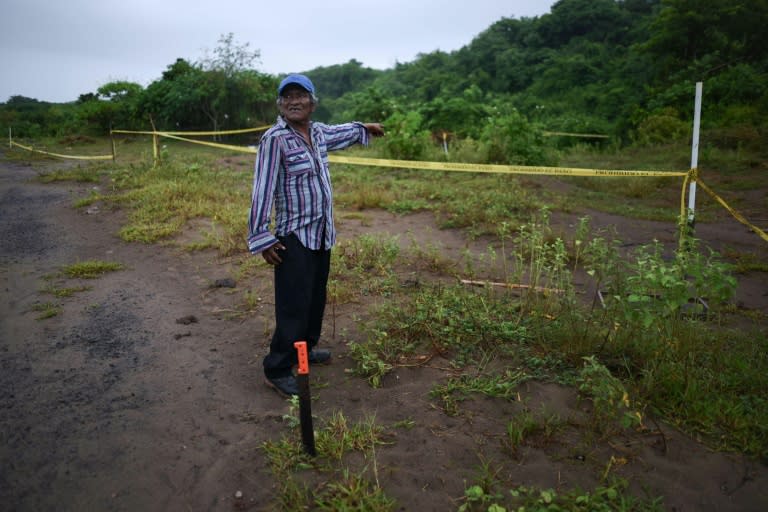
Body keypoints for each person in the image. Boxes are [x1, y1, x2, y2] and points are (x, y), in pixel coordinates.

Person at [248, 73, 384, 396]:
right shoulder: (274, 140)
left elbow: (343, 132)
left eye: (301, 96)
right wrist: (262, 237)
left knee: (314, 298)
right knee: (293, 305)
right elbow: (262, 189)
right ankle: (277, 367)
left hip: (322, 233)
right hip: (292, 236)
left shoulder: (319, 133)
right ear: (280, 105)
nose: (294, 102)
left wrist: (364, 128)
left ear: (312, 102)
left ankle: (304, 350)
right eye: (288, 97)